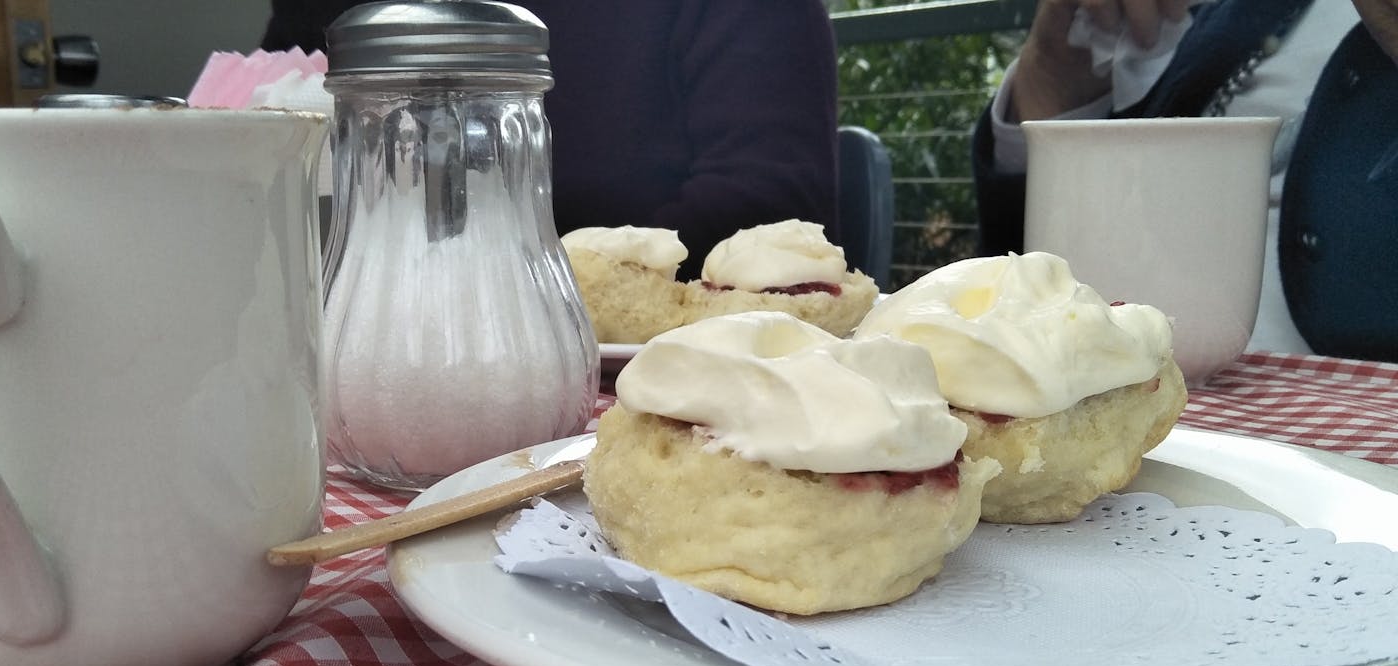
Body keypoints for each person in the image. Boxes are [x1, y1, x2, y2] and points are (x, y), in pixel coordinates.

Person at [262, 0, 841, 277]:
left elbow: (768, 204)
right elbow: (267, 140)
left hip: (662, 364)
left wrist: (524, 294)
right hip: (339, 345)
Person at [973, 0, 1398, 362]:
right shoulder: (1220, 18)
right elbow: (1025, 277)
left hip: (1344, 424)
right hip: (1104, 375)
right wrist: (1051, 74)